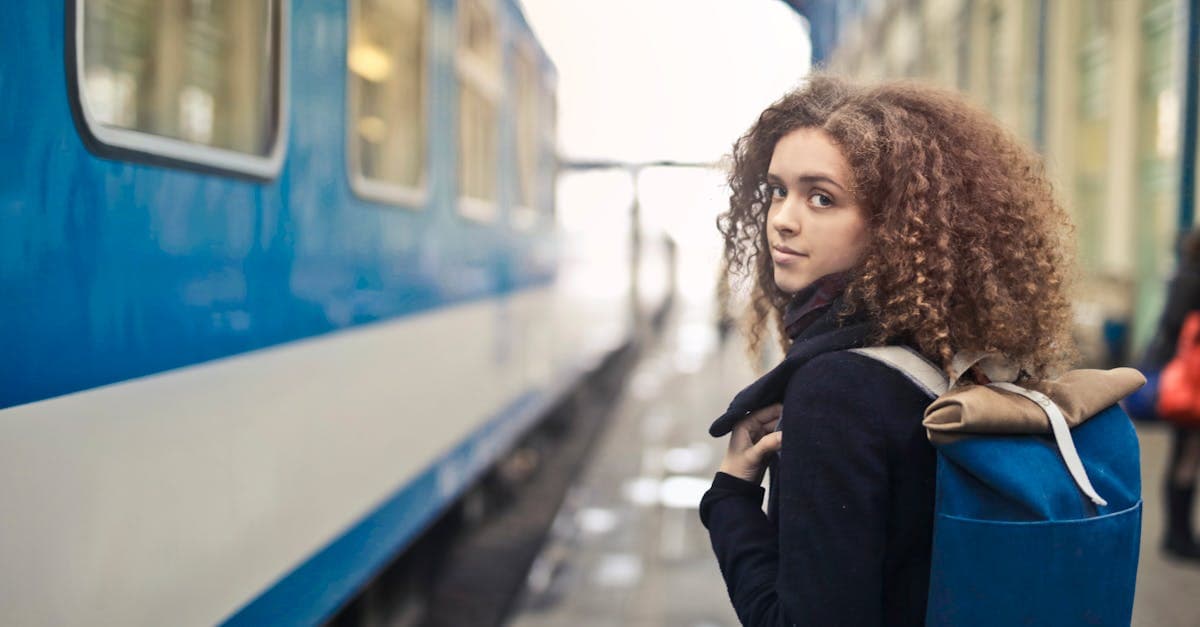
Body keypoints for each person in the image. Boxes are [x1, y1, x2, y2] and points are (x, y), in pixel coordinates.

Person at [699, 74, 1076, 625]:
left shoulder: (837, 390)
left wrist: (730, 498)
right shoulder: (939, 353)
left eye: (821, 197)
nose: (781, 218)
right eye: (778, 189)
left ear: (892, 225)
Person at [1144, 230, 1200, 561]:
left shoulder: (1182, 276)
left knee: (1184, 455)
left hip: (1186, 379)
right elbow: (1177, 325)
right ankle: (1178, 535)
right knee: (1186, 456)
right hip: (1191, 383)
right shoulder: (1191, 281)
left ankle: (1178, 533)